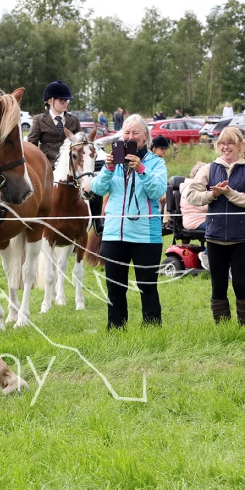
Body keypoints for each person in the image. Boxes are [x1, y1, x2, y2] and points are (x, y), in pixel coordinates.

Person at [92, 114, 168, 329]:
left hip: (146, 234)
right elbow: (97, 189)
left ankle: (152, 330)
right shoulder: (114, 161)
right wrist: (107, 169)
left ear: (145, 136)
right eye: (126, 132)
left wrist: (141, 170)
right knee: (114, 287)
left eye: (135, 132)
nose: (130, 136)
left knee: (148, 286)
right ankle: (116, 329)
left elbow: (158, 192)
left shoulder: (156, 162)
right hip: (114, 233)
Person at [185, 127, 245, 325]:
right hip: (215, 237)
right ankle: (223, 328)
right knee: (217, 286)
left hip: (241, 238)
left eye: (230, 143)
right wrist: (212, 194)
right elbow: (191, 195)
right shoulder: (208, 169)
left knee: (240, 285)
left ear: (240, 146)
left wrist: (229, 193)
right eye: (222, 143)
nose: (226, 147)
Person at [28, 80, 104, 234]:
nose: (65, 103)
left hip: (73, 166)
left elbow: (82, 141)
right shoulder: (39, 120)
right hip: (47, 165)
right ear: (50, 101)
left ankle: (96, 221)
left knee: (93, 184)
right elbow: (31, 145)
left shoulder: (73, 119)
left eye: (66, 100)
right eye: (61, 100)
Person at [180, 162, 208, 231]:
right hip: (195, 221)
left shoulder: (200, 187)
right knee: (221, 228)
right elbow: (202, 207)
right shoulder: (191, 188)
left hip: (204, 219)